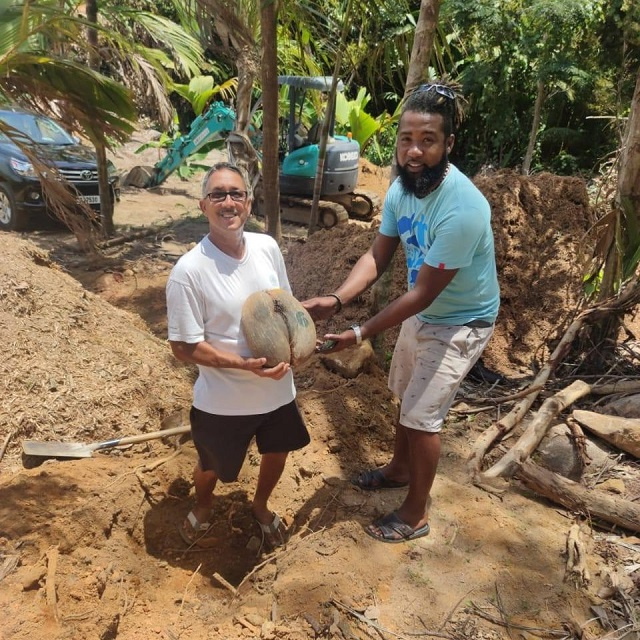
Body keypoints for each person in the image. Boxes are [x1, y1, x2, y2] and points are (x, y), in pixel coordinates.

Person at [303, 83, 500, 543]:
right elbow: (378, 256)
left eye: (428, 140)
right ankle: (397, 469)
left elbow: (425, 293)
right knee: (404, 395)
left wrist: (359, 332)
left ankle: (415, 513)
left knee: (422, 416)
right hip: (422, 309)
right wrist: (336, 299)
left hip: (461, 321)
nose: (414, 151)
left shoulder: (465, 208)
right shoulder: (401, 191)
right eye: (406, 139)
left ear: (448, 144)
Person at [166, 161, 310, 548]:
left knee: (277, 452)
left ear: (249, 202)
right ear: (203, 205)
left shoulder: (267, 247)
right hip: (223, 402)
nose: (228, 202)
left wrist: (300, 344)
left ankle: (260, 506)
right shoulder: (189, 272)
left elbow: (284, 305)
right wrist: (242, 365)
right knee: (211, 465)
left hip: (278, 392)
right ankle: (205, 504)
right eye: (218, 195)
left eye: (236, 194)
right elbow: (183, 347)